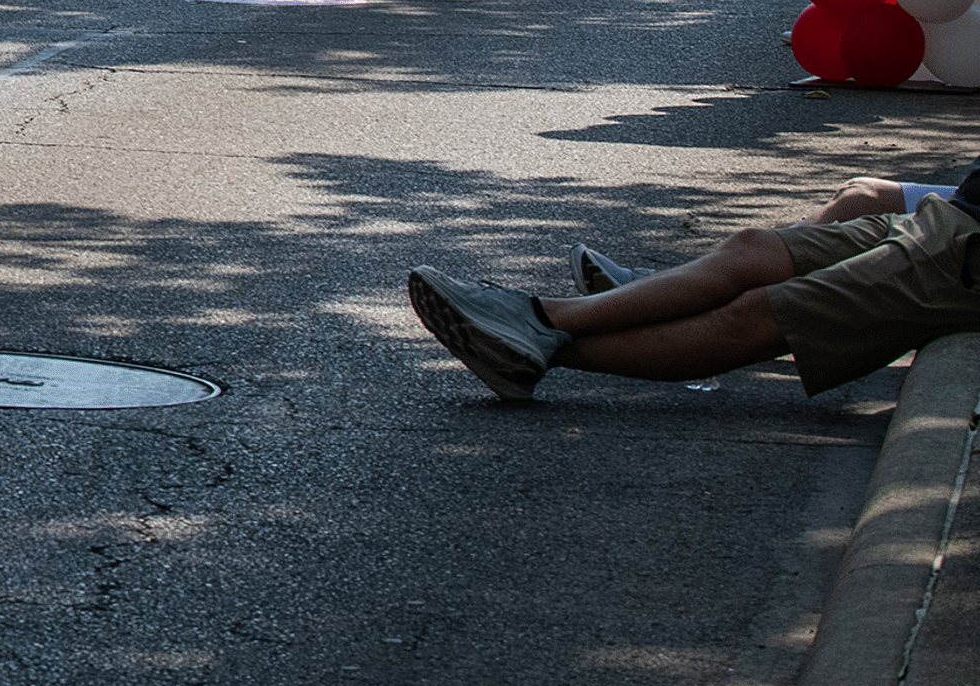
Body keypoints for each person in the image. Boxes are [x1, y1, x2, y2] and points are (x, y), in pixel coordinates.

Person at [405, 163, 980, 404]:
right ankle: (542, 320)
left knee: (756, 316)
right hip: (956, 216)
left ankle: (533, 334)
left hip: (967, 255)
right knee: (752, 248)